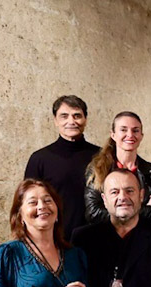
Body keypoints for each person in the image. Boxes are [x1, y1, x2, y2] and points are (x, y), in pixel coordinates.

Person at [24, 95, 100, 240]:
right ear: (55, 121)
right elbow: (29, 203)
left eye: (77, 116)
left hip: (96, 237)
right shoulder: (40, 159)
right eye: (64, 116)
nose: (71, 121)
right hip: (55, 238)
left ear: (85, 119)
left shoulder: (101, 156)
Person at [84, 111, 151, 226]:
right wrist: (144, 208)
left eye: (135, 130)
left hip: (143, 235)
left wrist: (117, 209)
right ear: (113, 135)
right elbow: (93, 213)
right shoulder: (98, 169)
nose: (130, 135)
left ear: (141, 135)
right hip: (108, 235)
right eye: (123, 130)